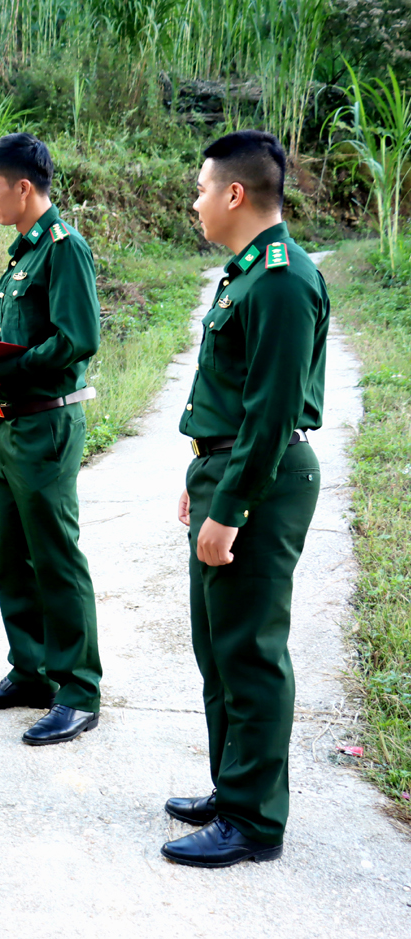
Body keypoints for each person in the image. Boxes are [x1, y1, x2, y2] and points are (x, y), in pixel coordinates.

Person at [163, 131, 328, 868]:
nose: (195, 201)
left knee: (251, 650)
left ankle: (255, 820)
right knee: (217, 643)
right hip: (226, 470)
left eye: (201, 188)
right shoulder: (244, 274)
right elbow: (228, 399)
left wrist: (229, 507)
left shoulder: (285, 279)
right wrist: (198, 478)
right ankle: (233, 788)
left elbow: (270, 412)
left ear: (235, 193)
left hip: (262, 480)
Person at [0, 133, 103, 746]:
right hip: (9, 423)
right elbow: (28, 333)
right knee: (14, 555)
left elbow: (77, 339)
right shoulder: (24, 255)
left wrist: (3, 369)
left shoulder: (65, 250)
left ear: (22, 187)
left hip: (45, 423)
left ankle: (79, 689)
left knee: (56, 557)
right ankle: (31, 671)